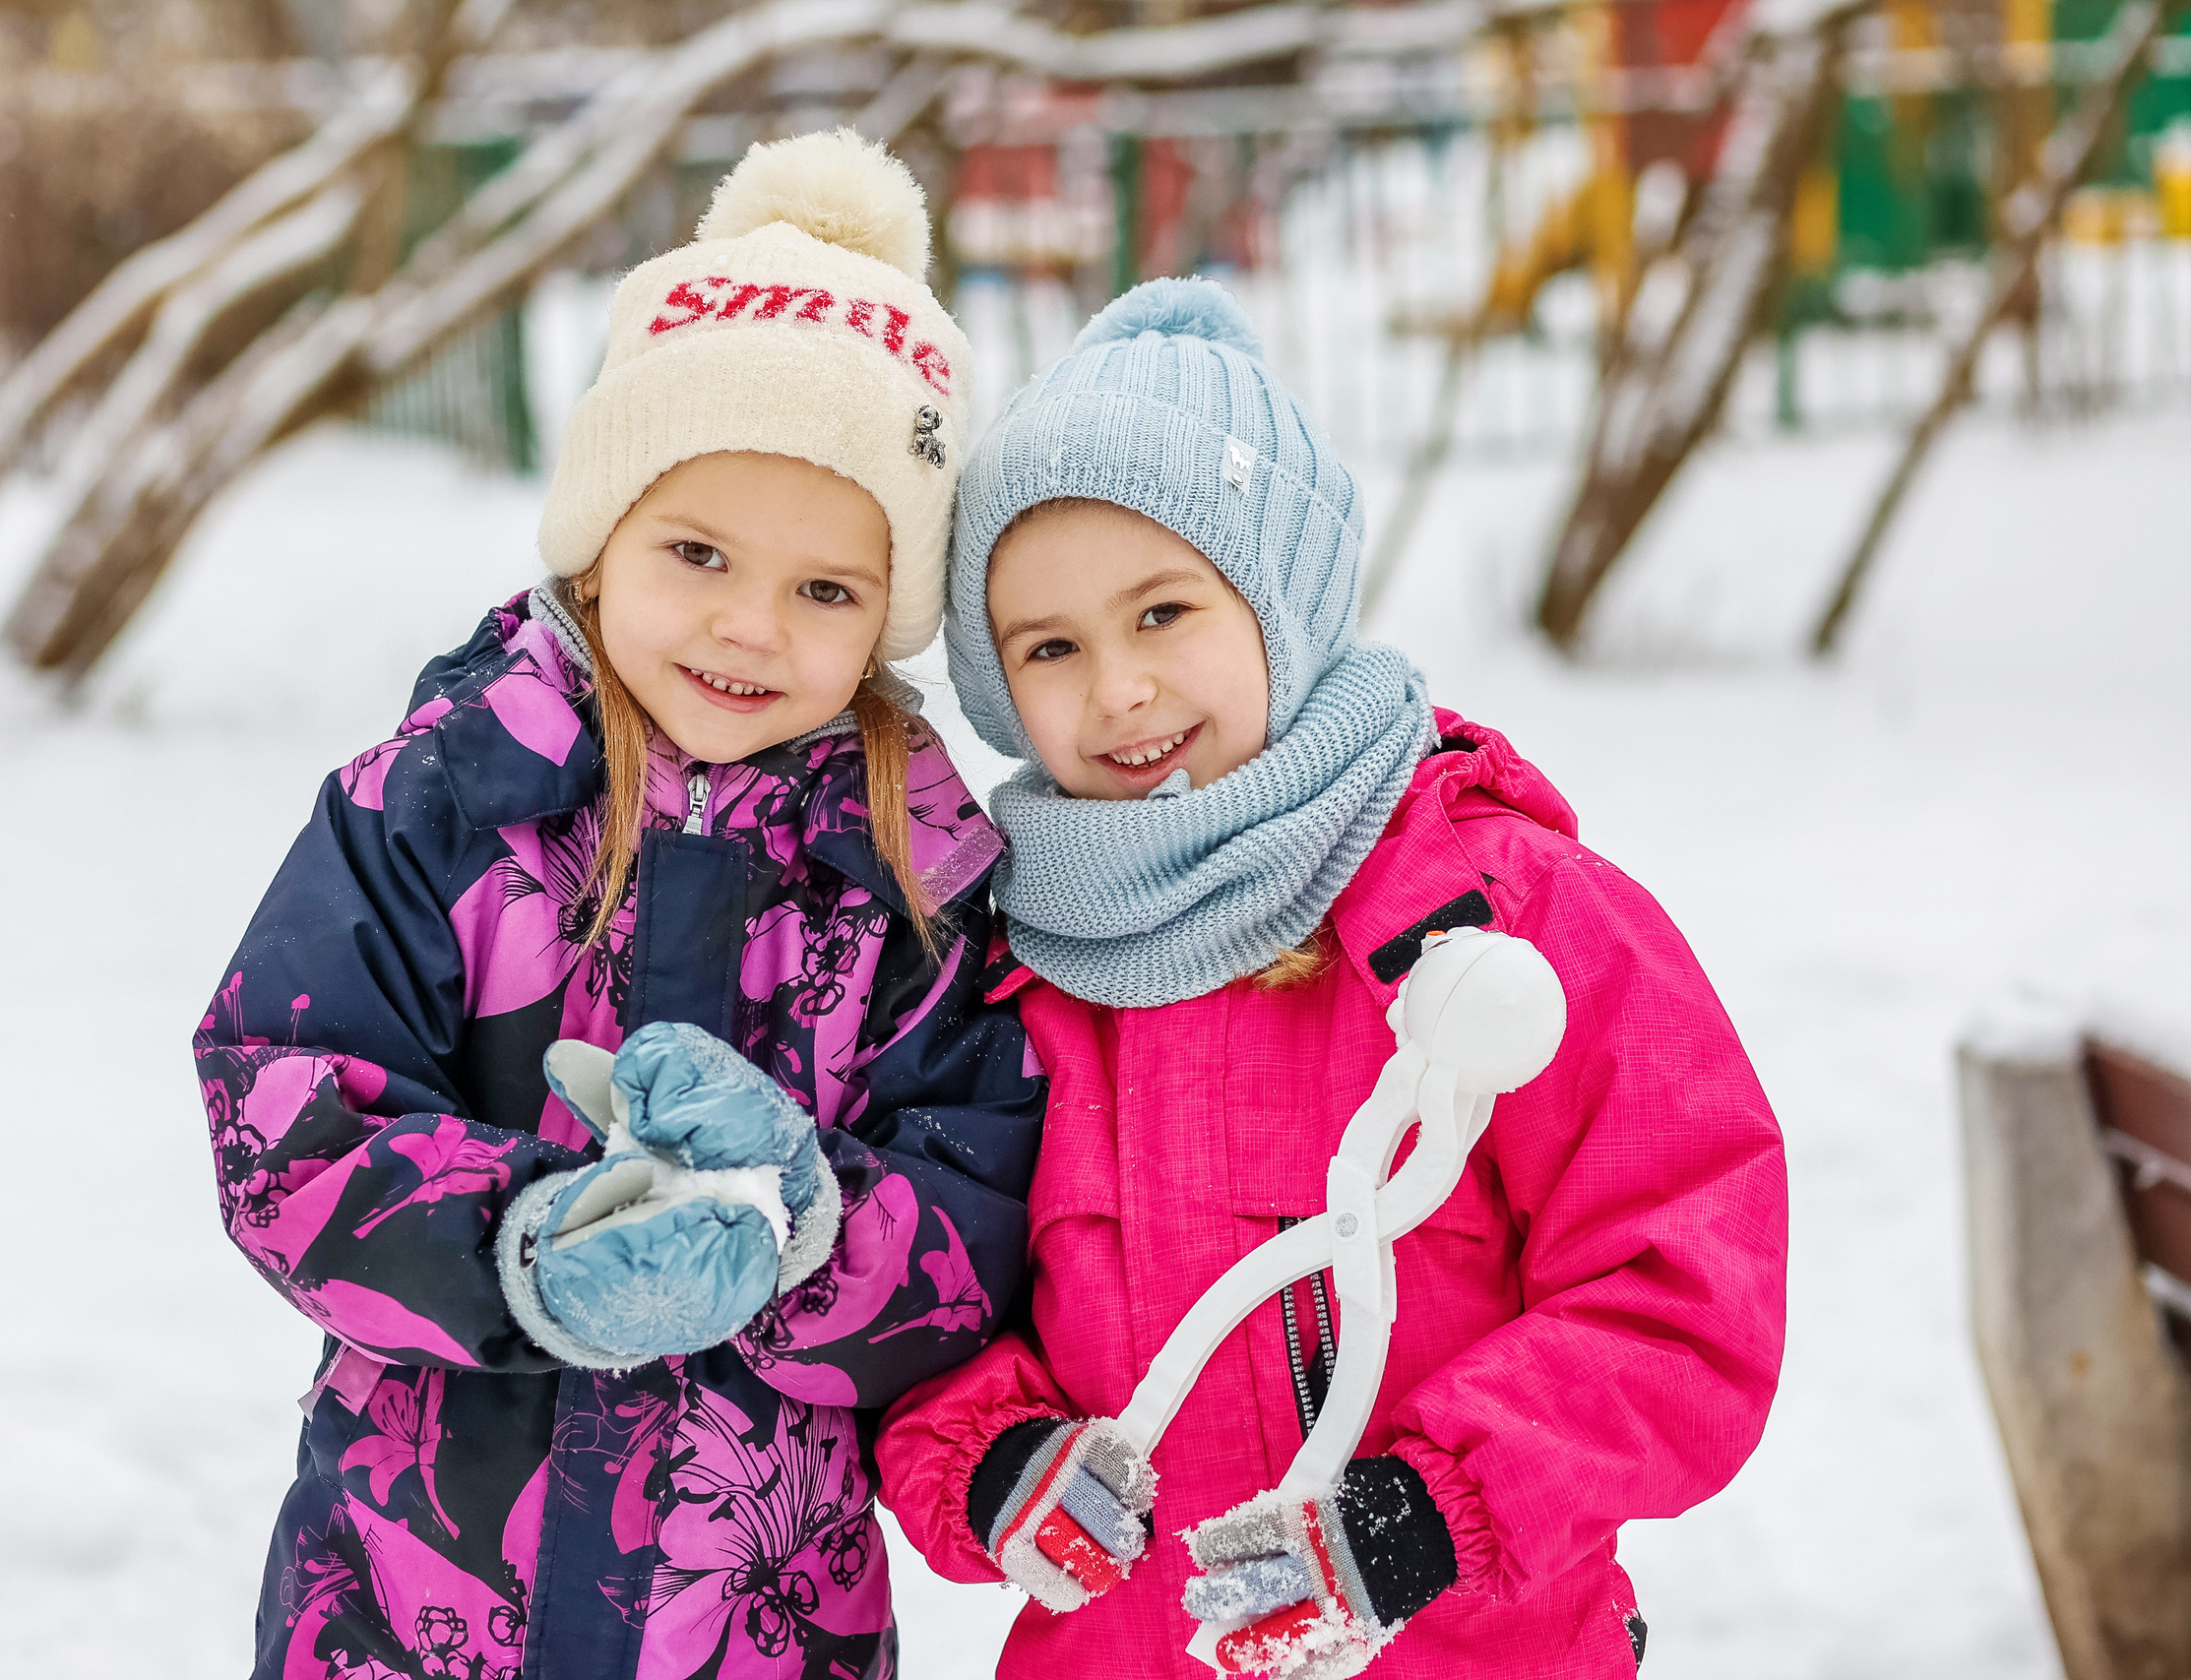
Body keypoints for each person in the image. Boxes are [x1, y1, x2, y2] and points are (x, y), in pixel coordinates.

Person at [196, 131, 1043, 1680]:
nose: (749, 625)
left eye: (827, 590)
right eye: (699, 550)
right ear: (601, 538)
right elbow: (284, 1104)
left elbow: (985, 1217)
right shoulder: (446, 803)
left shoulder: (916, 878)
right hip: (407, 1606)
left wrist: (809, 1224)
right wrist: (519, 1242)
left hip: (758, 1624)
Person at [874, 278, 1786, 1679]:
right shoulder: (1014, 968)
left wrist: (1432, 1511)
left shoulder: (1496, 911)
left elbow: (1682, 1288)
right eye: (1049, 647)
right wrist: (991, 1463)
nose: (1116, 686)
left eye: (1164, 611)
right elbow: (919, 1289)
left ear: (1277, 605)